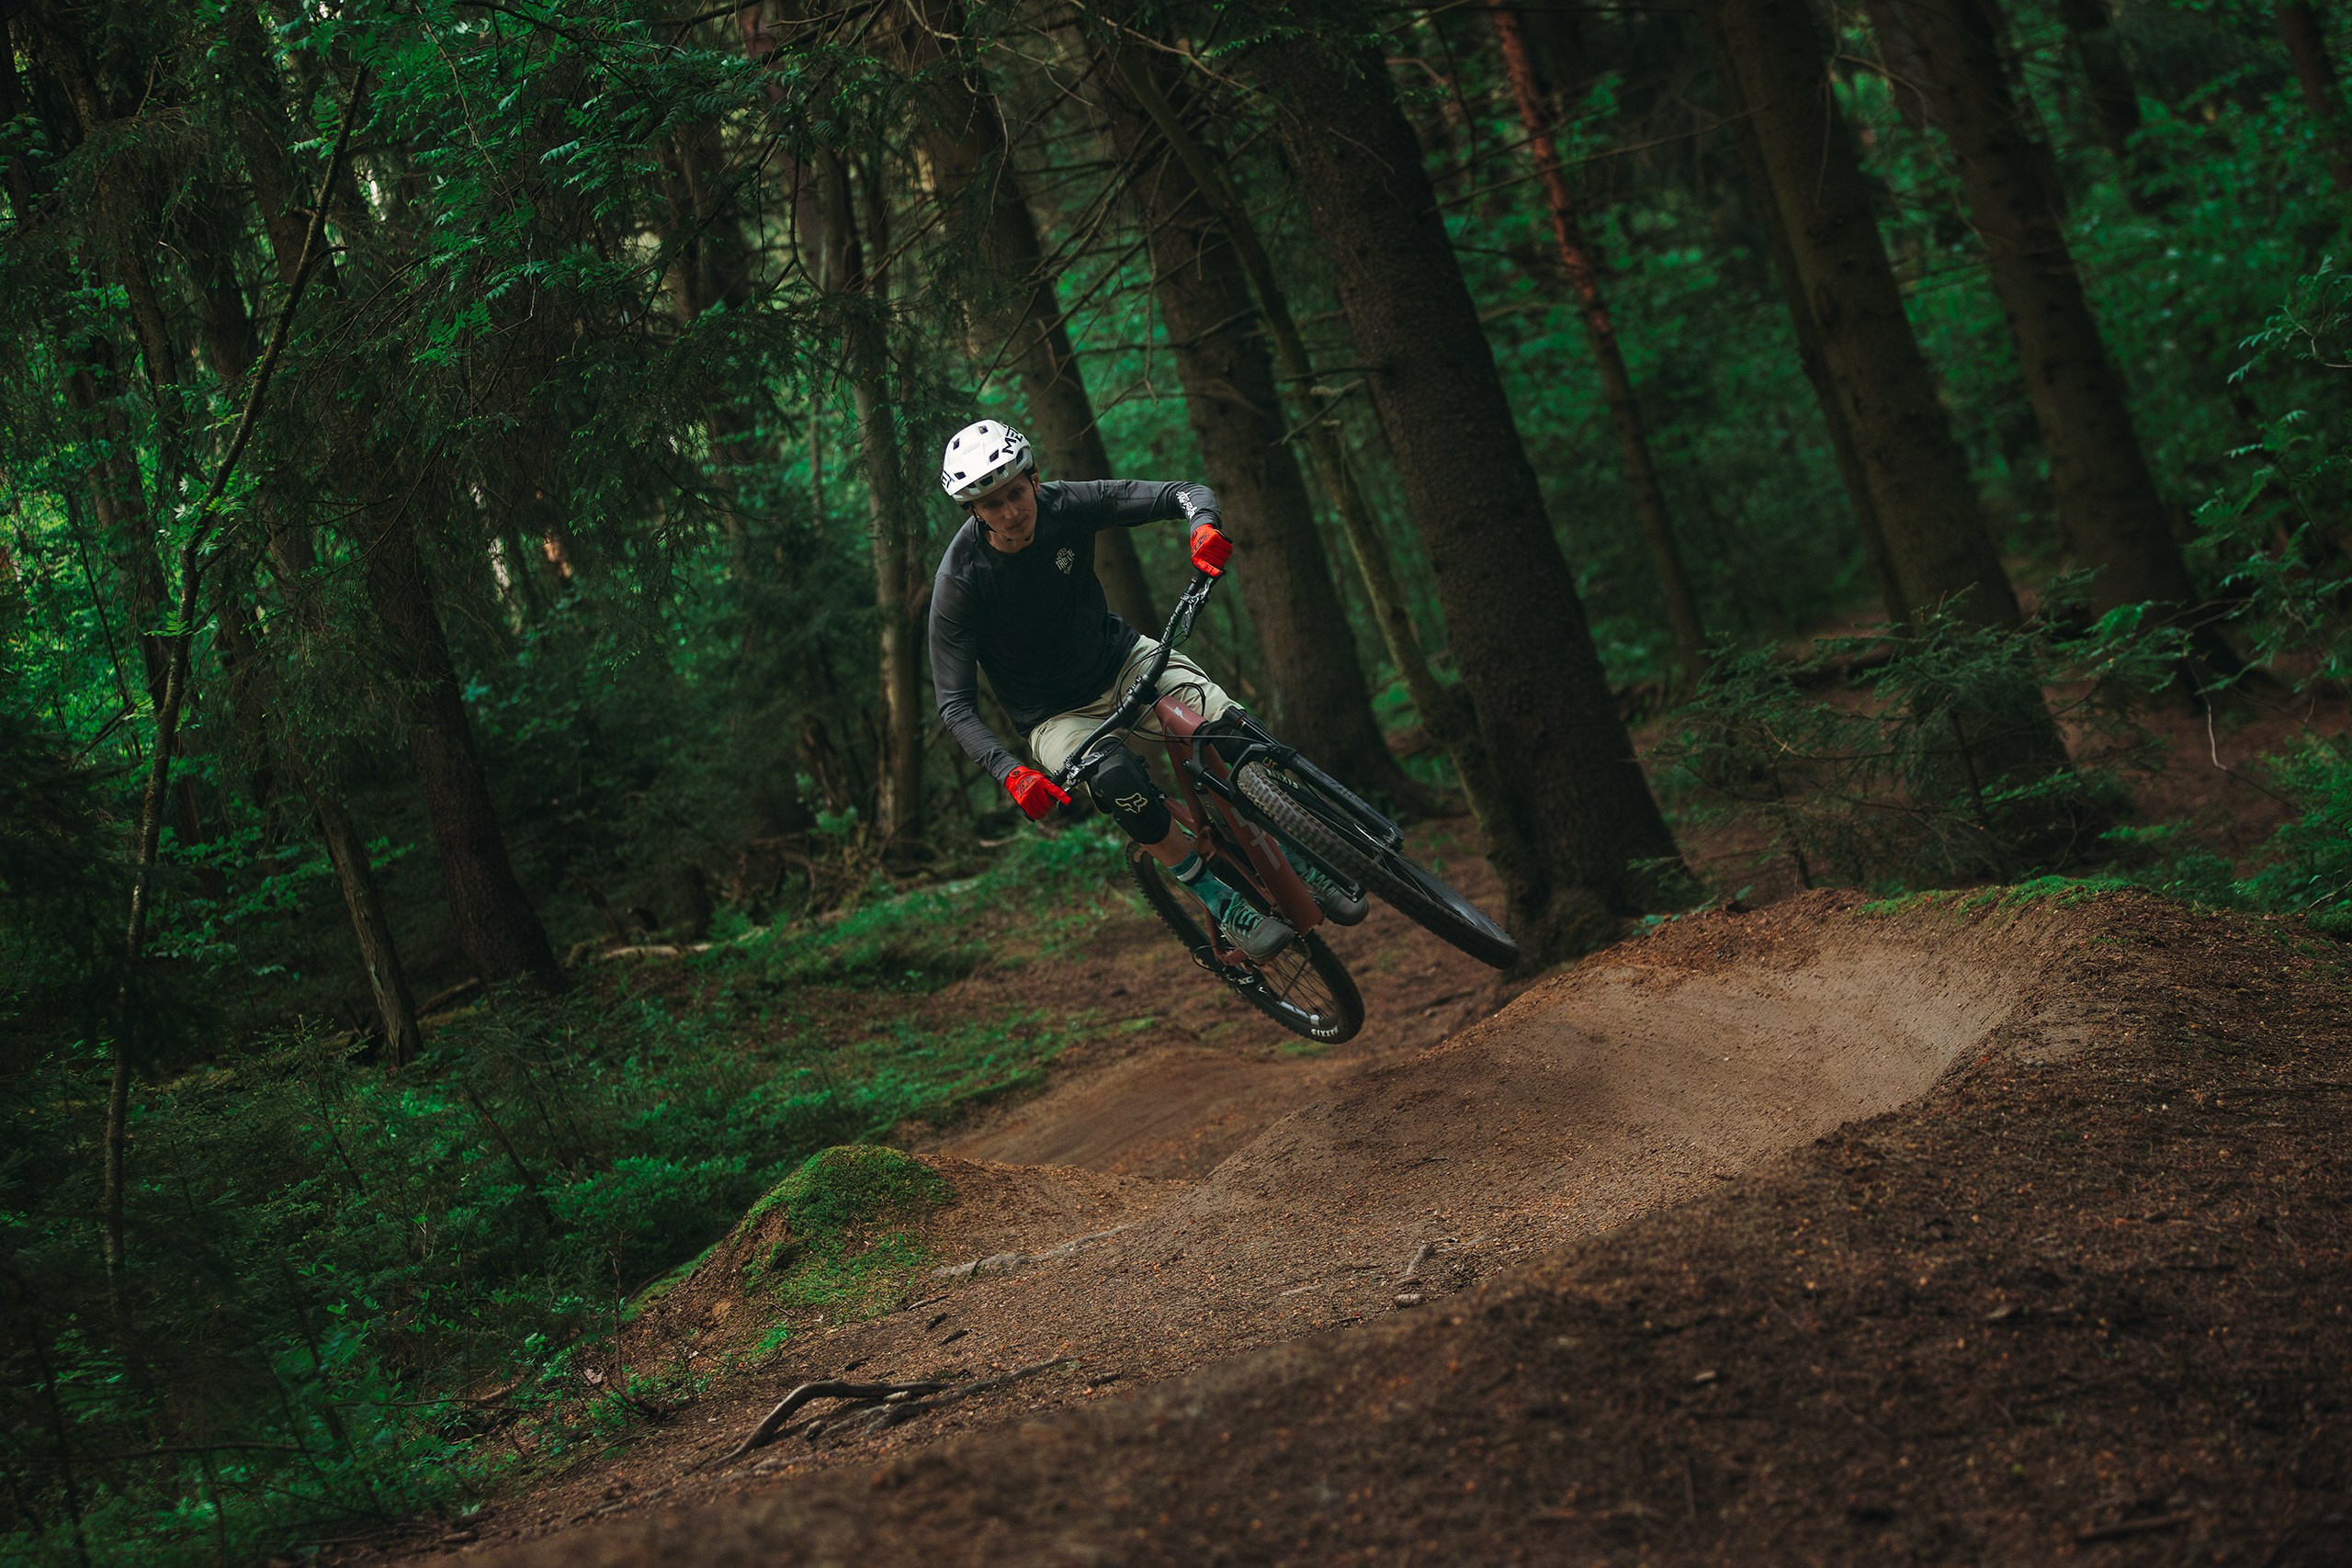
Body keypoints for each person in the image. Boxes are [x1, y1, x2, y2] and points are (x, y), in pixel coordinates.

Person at [928, 419, 1362, 959]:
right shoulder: (961, 582)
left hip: (1125, 660)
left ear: (1035, 479)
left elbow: (1183, 492)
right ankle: (1220, 899)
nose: (1012, 512)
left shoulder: (1069, 504)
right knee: (1117, 781)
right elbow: (954, 703)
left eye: (1016, 492)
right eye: (992, 504)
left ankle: (1297, 858)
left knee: (1229, 735)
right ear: (973, 511)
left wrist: (1202, 526)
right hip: (1054, 717)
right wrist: (1008, 771)